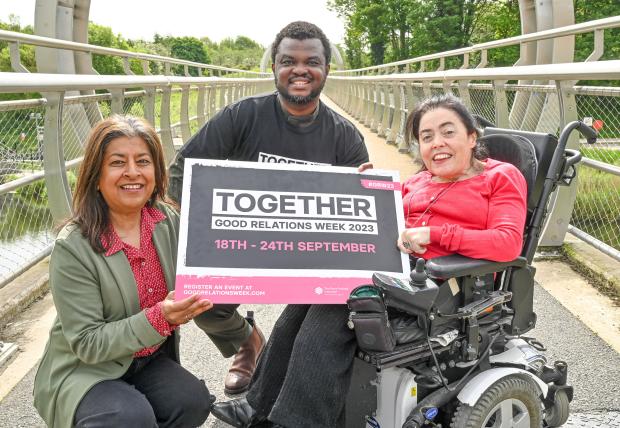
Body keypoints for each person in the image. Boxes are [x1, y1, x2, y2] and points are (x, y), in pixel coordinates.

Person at [210, 94, 527, 428]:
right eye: (427, 137)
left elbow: (507, 243)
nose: (438, 144)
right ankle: (258, 407)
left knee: (332, 311)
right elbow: (381, 218)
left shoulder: (500, 177)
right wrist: (362, 189)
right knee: (307, 296)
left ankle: (298, 421)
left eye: (448, 132)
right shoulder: (420, 180)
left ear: (472, 137)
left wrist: (435, 235)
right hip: (394, 273)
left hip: (444, 286)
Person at [167, 21, 369, 395]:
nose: (300, 70)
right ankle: (248, 342)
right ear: (274, 67)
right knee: (201, 301)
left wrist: (369, 191)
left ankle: (293, 370)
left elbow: (359, 211)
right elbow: (182, 170)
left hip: (312, 252)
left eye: (312, 61)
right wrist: (195, 232)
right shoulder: (241, 116)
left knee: (329, 315)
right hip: (243, 244)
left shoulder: (345, 136)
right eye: (288, 60)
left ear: (327, 70)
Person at [33, 115, 214, 428]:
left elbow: (214, 259)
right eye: (118, 162)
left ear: (156, 172)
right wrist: (162, 317)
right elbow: (88, 343)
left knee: (192, 402)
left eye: (143, 161)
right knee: (129, 418)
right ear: (96, 176)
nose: (133, 172)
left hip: (145, 359)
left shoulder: (167, 220)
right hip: (85, 369)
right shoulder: (73, 247)